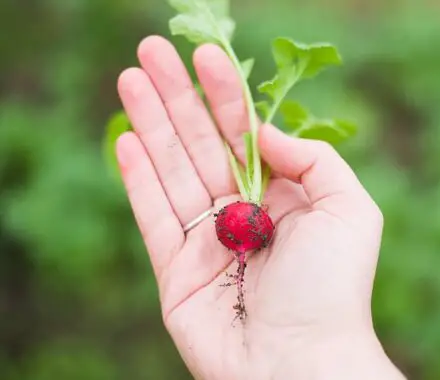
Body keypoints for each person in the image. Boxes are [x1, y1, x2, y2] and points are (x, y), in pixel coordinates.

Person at [115, 35, 406, 380]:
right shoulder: (244, 223)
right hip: (243, 220)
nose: (242, 260)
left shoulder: (246, 222)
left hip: (244, 219)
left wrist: (311, 345)